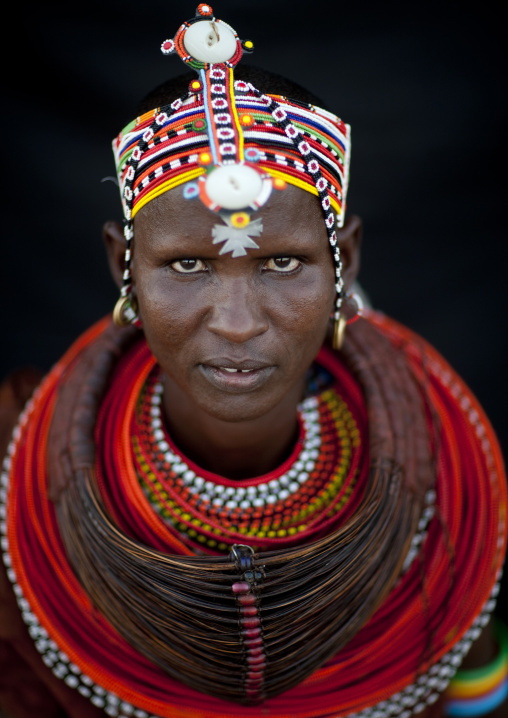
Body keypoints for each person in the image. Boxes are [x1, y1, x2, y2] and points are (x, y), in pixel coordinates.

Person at [0, 5, 506, 718]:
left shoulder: (449, 477)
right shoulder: (15, 444)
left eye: (281, 261)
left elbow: (480, 695)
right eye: (184, 264)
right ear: (124, 266)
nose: (237, 324)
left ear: (346, 261)